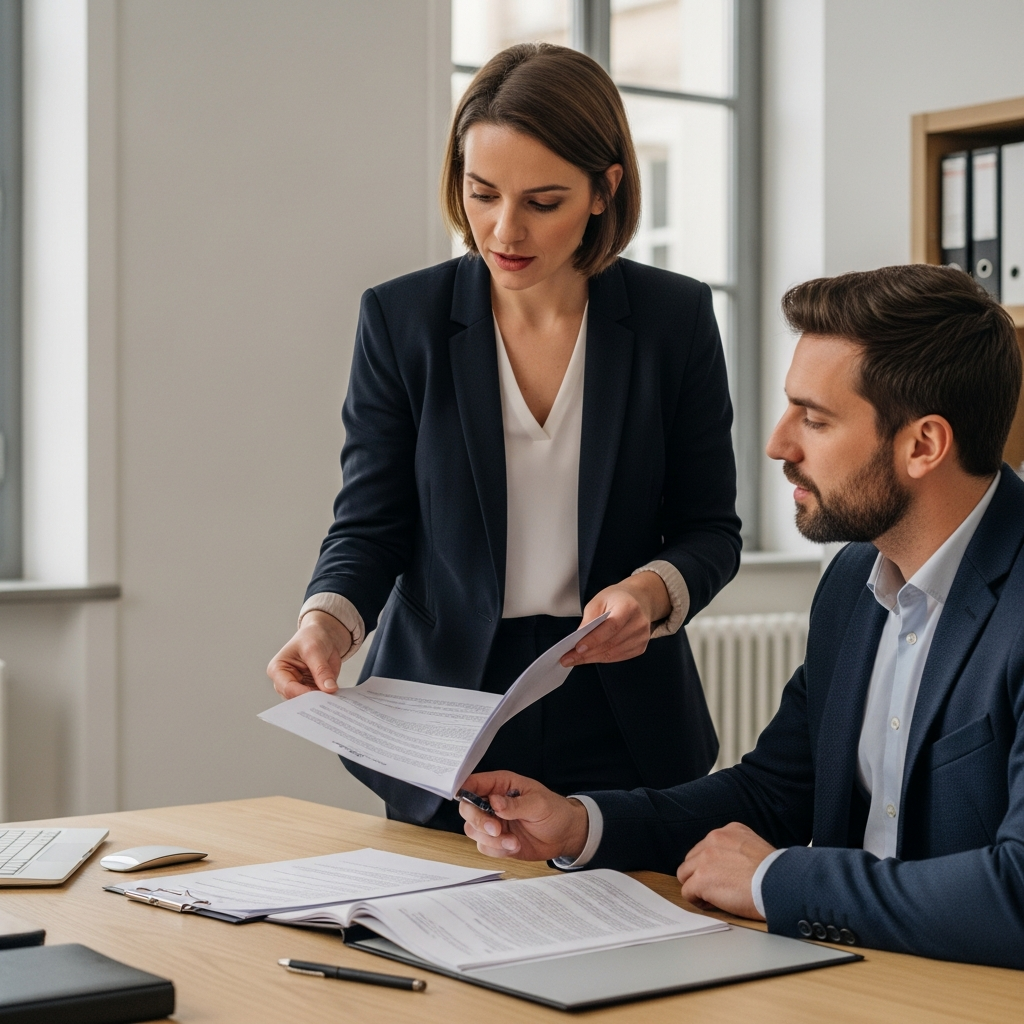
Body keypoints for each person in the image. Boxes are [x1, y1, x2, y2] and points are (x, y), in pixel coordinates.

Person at [457, 264, 1024, 970]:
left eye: (814, 419)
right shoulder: (854, 582)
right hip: (854, 978)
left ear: (923, 445)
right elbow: (772, 793)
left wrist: (772, 880)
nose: (779, 444)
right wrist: (579, 825)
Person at [266, 43, 741, 830]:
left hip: (622, 711)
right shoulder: (402, 320)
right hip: (442, 711)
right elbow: (371, 522)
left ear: (605, 189)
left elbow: (710, 529)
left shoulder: (675, 320)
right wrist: (328, 621)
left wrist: (651, 593)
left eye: (543, 202)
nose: (504, 229)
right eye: (481, 193)